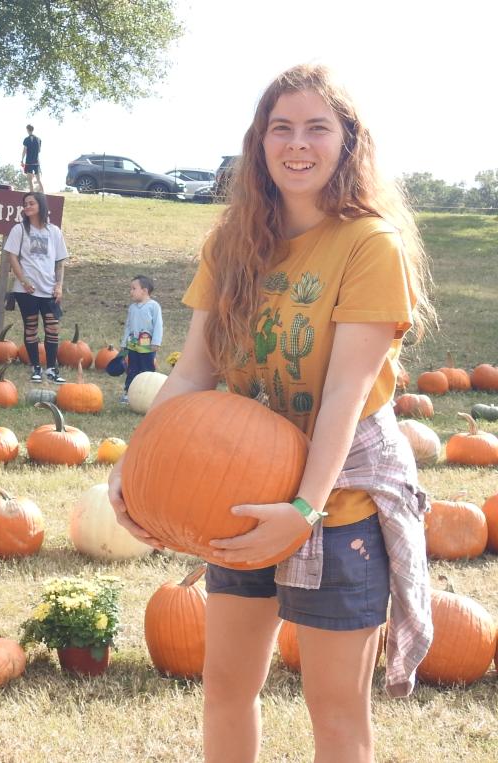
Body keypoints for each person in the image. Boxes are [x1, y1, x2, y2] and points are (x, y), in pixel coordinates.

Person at [109, 64, 435, 763]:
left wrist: (305, 509)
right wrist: (133, 466)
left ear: (348, 141)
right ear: (260, 143)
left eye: (318, 127)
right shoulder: (233, 240)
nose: (297, 143)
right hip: (240, 486)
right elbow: (194, 368)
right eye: (280, 128)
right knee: (226, 687)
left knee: (337, 711)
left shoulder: (370, 245)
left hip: (337, 495)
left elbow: (346, 395)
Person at [3, 191, 69, 383]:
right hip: (27, 290)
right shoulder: (20, 230)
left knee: (52, 328)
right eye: (25, 204)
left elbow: (60, 261)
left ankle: (51, 368)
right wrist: (23, 280)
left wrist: (59, 285)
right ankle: (36, 368)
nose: (28, 206)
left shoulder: (54, 231)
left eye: (31, 203)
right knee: (31, 328)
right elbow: (12, 256)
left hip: (49, 290)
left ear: (41, 205)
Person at [119, 275, 163, 403]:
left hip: (147, 346)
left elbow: (158, 325)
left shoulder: (153, 306)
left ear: (144, 291)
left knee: (147, 369)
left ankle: (149, 394)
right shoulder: (132, 308)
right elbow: (128, 326)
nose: (130, 291)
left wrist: (156, 341)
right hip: (132, 345)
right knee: (132, 369)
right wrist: (124, 343)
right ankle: (129, 392)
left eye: (133, 288)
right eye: (130, 288)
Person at [21, 124, 43, 192]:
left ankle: (32, 193)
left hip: (29, 161)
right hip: (36, 161)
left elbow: (24, 150)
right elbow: (39, 150)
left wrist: (22, 160)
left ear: (27, 130)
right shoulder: (38, 139)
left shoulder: (26, 139)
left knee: (30, 180)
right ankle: (43, 193)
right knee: (38, 180)